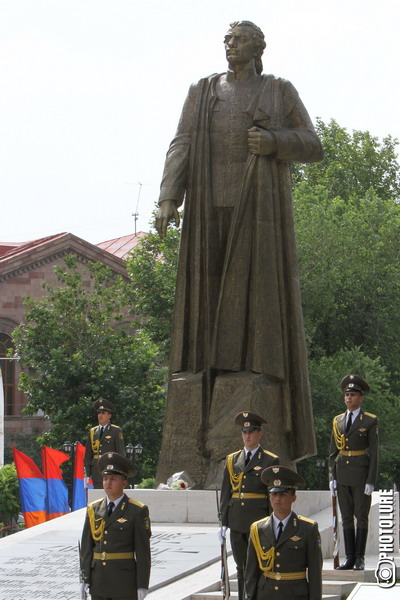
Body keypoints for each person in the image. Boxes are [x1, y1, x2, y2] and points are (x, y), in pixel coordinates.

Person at [156, 20, 323, 467]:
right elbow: (183, 142)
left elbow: (312, 143)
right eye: (227, 39)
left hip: (258, 209)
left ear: (257, 47)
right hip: (208, 210)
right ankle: (194, 448)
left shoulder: (277, 90)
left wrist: (274, 141)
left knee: (256, 301)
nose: (230, 45)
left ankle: (252, 369)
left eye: (239, 39)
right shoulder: (204, 90)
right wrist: (170, 195)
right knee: (204, 305)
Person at [219, 411, 279, 600]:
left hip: (259, 520)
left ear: (259, 434)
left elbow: (273, 493)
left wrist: (274, 521)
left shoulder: (270, 460)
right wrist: (223, 521)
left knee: (259, 563)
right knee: (241, 566)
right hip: (236, 519)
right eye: (244, 432)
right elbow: (226, 491)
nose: (247, 436)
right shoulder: (232, 460)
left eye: (251, 432)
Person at [80, 452, 151, 600]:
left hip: (123, 583)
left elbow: (143, 552)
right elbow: (87, 548)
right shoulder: (94, 509)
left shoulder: (137, 510)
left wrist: (142, 584)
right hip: (98, 581)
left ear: (124, 483)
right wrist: (85, 578)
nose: (108, 483)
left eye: (113, 479)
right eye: (105, 479)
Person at [245, 465, 322, 600]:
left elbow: (315, 573)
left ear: (293, 497)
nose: (277, 499)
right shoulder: (258, 529)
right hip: (266, 594)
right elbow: (251, 572)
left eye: (282, 494)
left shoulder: (308, 529)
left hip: (294, 594)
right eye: (274, 494)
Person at [329, 374, 379, 570]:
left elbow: (374, 453)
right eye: (347, 394)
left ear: (361, 398)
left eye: (353, 394)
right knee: (346, 516)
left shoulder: (369, 421)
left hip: (360, 473)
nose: (349, 398)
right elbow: (332, 452)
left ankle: (360, 557)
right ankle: (349, 557)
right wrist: (332, 477)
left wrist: (371, 480)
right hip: (342, 473)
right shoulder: (338, 421)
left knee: (361, 515)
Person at [84, 399, 126, 488]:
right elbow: (88, 454)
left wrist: (119, 472)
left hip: (110, 470)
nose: (100, 415)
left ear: (109, 415)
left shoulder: (115, 430)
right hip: (96, 471)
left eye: (103, 413)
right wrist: (88, 473)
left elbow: (120, 453)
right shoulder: (93, 431)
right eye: (99, 413)